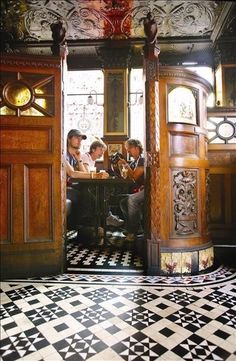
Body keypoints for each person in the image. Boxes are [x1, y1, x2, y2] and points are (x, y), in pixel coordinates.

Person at [66, 129, 109, 229]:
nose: (79, 141)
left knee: (96, 192)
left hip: (72, 187)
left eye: (81, 139)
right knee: (88, 193)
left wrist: (79, 159)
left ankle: (97, 224)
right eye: (76, 138)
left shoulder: (74, 156)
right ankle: (89, 225)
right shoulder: (63, 154)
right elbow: (72, 174)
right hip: (63, 189)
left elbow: (83, 174)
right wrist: (95, 176)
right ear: (69, 139)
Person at [117, 139, 145, 242]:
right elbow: (126, 177)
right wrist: (121, 166)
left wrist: (126, 164)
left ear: (137, 148)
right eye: (127, 149)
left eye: (130, 149)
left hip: (150, 190)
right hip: (141, 189)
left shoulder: (142, 160)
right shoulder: (134, 162)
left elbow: (134, 176)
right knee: (123, 201)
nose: (128, 151)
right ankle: (137, 229)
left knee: (132, 200)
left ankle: (132, 232)